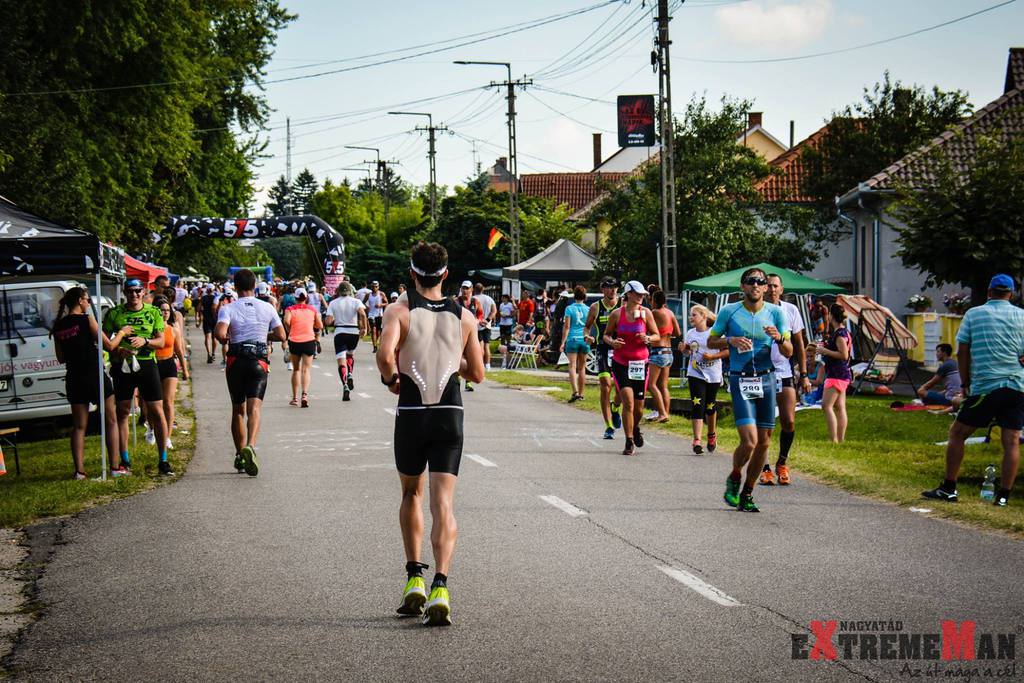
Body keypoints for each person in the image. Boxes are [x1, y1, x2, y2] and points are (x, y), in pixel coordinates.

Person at [376, 241, 485, 626]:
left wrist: (392, 378)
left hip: (411, 411)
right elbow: (478, 373)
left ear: (411, 274)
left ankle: (414, 580)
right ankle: (441, 584)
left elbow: (385, 354)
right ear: (446, 274)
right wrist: (454, 368)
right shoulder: (465, 317)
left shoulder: (399, 310)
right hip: (449, 413)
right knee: (443, 503)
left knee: (410, 493)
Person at [923, 274, 1024, 508]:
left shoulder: (974, 314)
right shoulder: (1021, 316)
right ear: (1010, 294)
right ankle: (1003, 497)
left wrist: (965, 382)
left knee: (957, 433)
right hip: (1017, 386)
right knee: (1011, 442)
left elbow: (963, 351)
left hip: (986, 386)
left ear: (989, 292)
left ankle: (949, 488)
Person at [708, 267, 792, 513]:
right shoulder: (729, 311)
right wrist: (730, 340)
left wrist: (779, 338)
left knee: (764, 444)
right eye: (750, 281)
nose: (755, 285)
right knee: (749, 441)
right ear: (742, 286)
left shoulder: (776, 313)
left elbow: (788, 352)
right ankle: (735, 476)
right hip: (740, 379)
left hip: (767, 379)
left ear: (766, 288)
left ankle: (747, 492)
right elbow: (711, 341)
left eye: (760, 282)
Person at [52, 287, 131, 479]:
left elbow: (61, 358)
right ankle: (114, 467)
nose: (88, 303)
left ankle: (79, 471)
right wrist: (122, 332)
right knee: (111, 420)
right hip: (94, 375)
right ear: (80, 301)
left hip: (74, 377)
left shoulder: (58, 327)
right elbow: (110, 346)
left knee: (79, 426)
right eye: (87, 299)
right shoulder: (87, 319)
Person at [215, 268, 286, 476]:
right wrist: (264, 335)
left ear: (235, 287)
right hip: (259, 360)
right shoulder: (267, 307)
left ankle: (239, 454)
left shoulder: (228, 308)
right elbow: (282, 335)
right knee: (254, 409)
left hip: (236, 359)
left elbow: (220, 334)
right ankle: (251, 446)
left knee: (237, 409)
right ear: (255, 286)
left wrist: (229, 337)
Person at [103, 279, 173, 475]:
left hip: (146, 363)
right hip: (122, 365)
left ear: (143, 292)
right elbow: (105, 341)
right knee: (123, 412)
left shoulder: (153, 312)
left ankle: (163, 459)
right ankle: (124, 460)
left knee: (157, 411)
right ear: (125, 293)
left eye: (137, 291)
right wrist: (117, 351)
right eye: (129, 291)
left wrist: (145, 341)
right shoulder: (114, 313)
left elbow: (161, 342)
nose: (133, 295)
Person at [760, 273, 809, 486]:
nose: (771, 289)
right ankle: (765, 468)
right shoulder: (756, 310)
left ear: (781, 289)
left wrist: (804, 374)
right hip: (760, 374)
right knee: (765, 424)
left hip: (784, 372)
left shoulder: (790, 310)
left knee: (788, 421)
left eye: (775, 286)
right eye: (768, 286)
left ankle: (782, 463)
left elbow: (799, 344)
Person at [603, 281, 660, 456]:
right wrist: (613, 342)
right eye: (638, 294)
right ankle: (628, 441)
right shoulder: (616, 314)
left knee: (639, 408)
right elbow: (606, 335)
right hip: (621, 363)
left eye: (643, 294)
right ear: (628, 294)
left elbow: (658, 336)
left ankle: (634, 428)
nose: (642, 297)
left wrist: (648, 339)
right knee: (628, 402)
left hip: (640, 364)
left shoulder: (646, 313)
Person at [680, 305, 726, 455]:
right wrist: (684, 349)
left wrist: (713, 356)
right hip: (695, 373)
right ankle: (697, 440)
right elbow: (688, 353)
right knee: (697, 405)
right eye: (690, 315)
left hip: (713, 373)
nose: (691, 318)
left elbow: (727, 351)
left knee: (710, 406)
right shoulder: (690, 333)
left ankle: (711, 434)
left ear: (703, 316)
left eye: (694, 315)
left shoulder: (715, 333)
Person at [584, 277, 623, 440]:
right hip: (602, 348)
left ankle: (615, 408)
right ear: (602, 289)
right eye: (608, 287)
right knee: (606, 386)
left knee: (621, 388)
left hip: (621, 348)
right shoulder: (595, 307)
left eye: (614, 287)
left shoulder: (624, 305)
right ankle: (608, 426)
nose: (612, 290)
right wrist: (588, 337)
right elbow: (587, 327)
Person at [810, 304, 851, 443]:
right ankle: (841, 439)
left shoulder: (839, 334)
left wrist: (825, 351)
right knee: (840, 407)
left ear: (831, 316)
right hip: (843, 374)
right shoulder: (844, 332)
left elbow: (843, 354)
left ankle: (833, 439)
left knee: (826, 406)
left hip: (836, 374)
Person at [152, 296, 189, 450]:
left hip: (169, 364)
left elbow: (179, 350)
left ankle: (167, 437)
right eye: (162, 310)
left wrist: (185, 370)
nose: (165, 313)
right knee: (155, 403)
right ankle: (152, 429)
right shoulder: (152, 329)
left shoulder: (174, 329)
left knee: (168, 402)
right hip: (153, 364)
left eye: (167, 310)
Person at [325, 282, 368, 402]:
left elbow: (328, 322)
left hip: (340, 332)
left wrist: (331, 319)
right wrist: (364, 328)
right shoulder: (356, 301)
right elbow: (362, 314)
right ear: (350, 290)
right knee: (350, 355)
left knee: (341, 361)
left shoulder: (333, 303)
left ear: (338, 291)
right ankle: (350, 374)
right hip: (353, 332)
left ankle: (345, 385)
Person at [284, 287, 322, 408]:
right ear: (306, 298)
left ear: (295, 298)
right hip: (309, 340)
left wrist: (290, 330)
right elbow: (319, 325)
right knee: (306, 370)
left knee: (296, 369)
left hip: (294, 340)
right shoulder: (312, 309)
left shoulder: (290, 309)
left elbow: (286, 321)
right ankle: (304, 395)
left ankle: (295, 398)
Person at [647, 290, 681, 423]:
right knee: (663, 386)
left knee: (651, 385)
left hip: (658, 351)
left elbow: (646, 326)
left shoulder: (654, 312)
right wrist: (666, 333)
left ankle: (662, 413)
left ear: (654, 301)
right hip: (668, 351)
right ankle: (666, 413)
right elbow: (677, 332)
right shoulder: (670, 312)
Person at [560, 285, 591, 403]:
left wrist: (563, 342)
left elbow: (567, 327)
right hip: (584, 339)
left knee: (572, 366)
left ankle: (575, 392)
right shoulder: (588, 309)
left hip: (572, 339)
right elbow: (589, 326)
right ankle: (582, 393)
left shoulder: (569, 308)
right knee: (582, 367)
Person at [456, 281, 483, 391]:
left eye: (467, 288)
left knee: (470, 357)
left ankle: (468, 382)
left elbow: (480, 313)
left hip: (472, 333)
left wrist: (478, 320)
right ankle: (457, 378)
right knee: (459, 356)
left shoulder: (475, 301)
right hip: (459, 332)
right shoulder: (456, 301)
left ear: (471, 289)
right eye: (463, 288)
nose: (465, 291)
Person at [473, 283, 497, 372]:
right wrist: (487, 320)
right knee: (486, 346)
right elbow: (494, 311)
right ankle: (488, 365)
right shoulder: (489, 299)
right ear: (483, 289)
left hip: (477, 325)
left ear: (474, 289)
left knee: (480, 345)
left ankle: (480, 364)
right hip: (487, 325)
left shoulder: (473, 299)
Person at [363, 281, 386, 352]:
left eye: (376, 286)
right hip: (371, 314)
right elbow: (362, 302)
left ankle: (377, 341)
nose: (374, 288)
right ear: (371, 287)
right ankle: (375, 346)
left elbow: (386, 303)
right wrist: (367, 307)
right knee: (373, 330)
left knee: (378, 330)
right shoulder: (368, 295)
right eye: (373, 286)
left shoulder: (381, 294)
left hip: (379, 314)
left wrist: (380, 305)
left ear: (378, 287)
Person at [200, 285, 218, 364]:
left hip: (206, 319)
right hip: (215, 320)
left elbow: (199, 308)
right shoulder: (216, 298)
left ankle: (209, 353)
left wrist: (201, 314)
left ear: (207, 290)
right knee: (214, 338)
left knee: (207, 337)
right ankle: (213, 353)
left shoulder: (203, 298)